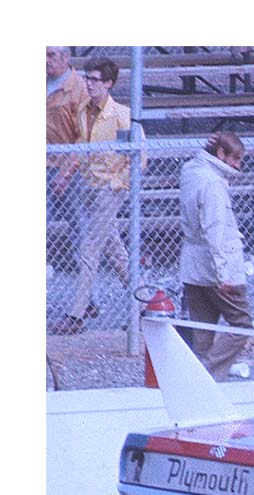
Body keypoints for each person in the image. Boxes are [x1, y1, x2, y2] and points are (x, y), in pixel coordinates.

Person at [50, 58, 138, 336]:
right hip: (90, 187)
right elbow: (81, 145)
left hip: (108, 191)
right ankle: (146, 305)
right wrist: (67, 172)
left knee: (89, 248)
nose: (89, 83)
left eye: (95, 80)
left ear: (108, 83)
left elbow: (138, 157)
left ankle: (77, 313)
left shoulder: (121, 115)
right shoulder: (83, 111)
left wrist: (116, 184)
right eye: (87, 78)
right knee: (116, 253)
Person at [179, 132, 254, 381]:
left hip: (192, 266)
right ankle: (206, 377)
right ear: (221, 154)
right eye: (235, 158)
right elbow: (215, 231)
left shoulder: (191, 172)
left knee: (203, 331)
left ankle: (197, 379)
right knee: (241, 325)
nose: (237, 165)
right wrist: (224, 274)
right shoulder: (213, 184)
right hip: (217, 268)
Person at [46, 46, 89, 277]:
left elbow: (84, 137)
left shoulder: (79, 88)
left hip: (70, 170)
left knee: (80, 228)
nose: (46, 60)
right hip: (42, 165)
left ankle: (88, 295)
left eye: (51, 55)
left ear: (65, 57)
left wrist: (66, 171)